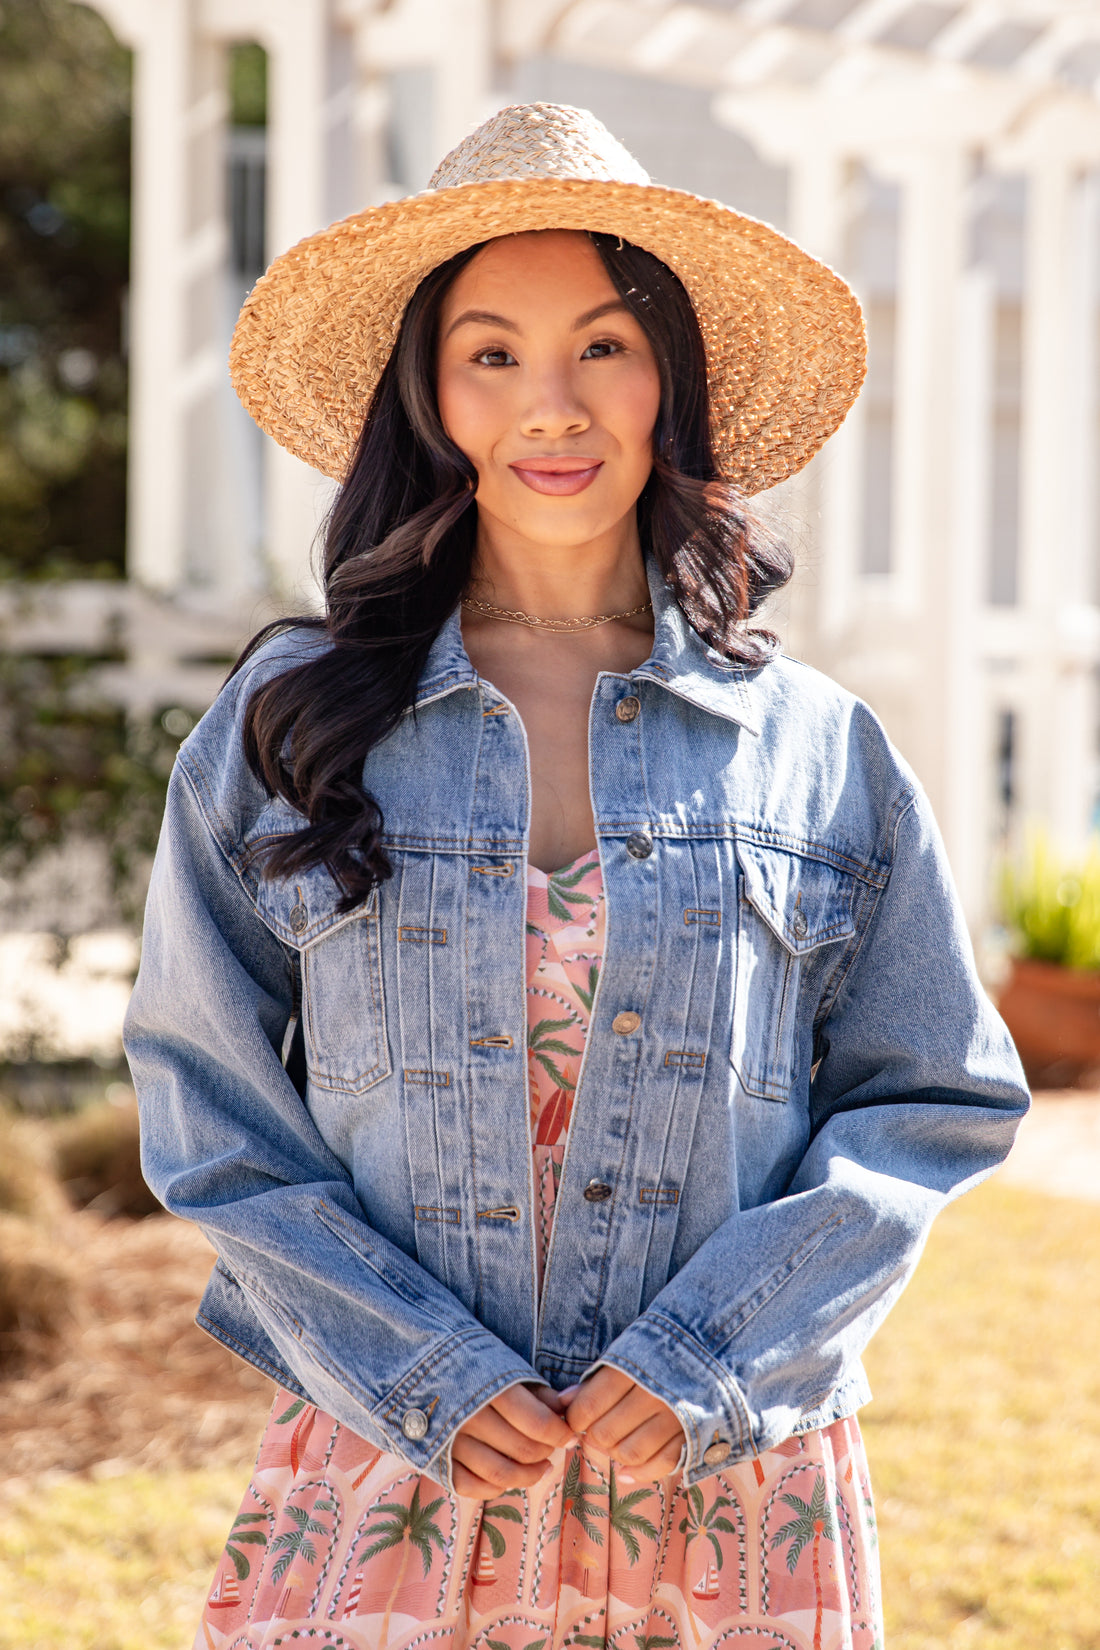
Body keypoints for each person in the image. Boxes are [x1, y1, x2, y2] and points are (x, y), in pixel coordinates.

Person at [125, 103, 1029, 1650]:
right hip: (396, 1477)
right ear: (430, 396)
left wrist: (714, 1357)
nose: (552, 404)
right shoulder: (291, 721)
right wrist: (417, 1367)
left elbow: (933, 1093)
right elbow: (206, 1103)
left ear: (670, 377)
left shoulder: (819, 747)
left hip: (728, 1499)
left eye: (603, 345)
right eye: (492, 353)